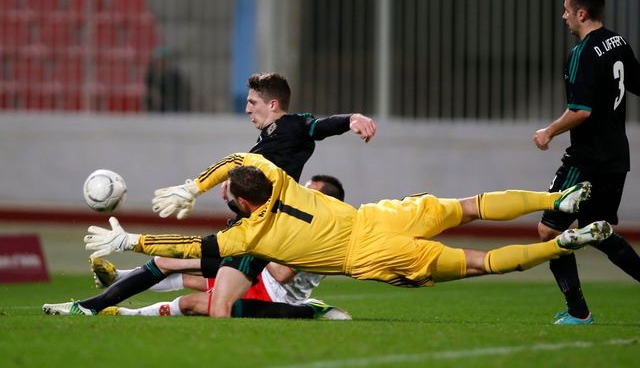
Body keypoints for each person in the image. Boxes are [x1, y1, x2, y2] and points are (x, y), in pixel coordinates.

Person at [77, 152, 612, 319]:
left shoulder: (249, 237)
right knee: (469, 206)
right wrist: (195, 185)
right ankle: (555, 200)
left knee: (479, 262)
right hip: (379, 216)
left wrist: (132, 241)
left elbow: (190, 249)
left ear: (243, 204)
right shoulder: (280, 179)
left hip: (370, 252)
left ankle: (563, 242)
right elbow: (239, 158)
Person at [43, 72, 376, 316]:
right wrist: (234, 192)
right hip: (247, 227)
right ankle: (88, 307)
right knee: (197, 289)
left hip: (262, 233)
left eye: (252, 102)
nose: (247, 108)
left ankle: (308, 312)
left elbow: (319, 127)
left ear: (273, 104)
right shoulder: (264, 140)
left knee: (210, 298)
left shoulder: (293, 126)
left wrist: (351, 120)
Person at [532, 0, 640, 325]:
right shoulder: (619, 43)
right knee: (598, 229)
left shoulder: (580, 54)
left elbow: (581, 111)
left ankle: (578, 312)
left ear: (581, 13)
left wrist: (548, 132)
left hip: (585, 158)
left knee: (548, 233)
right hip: (616, 157)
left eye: (567, 10)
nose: (564, 16)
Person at [95, 175, 351, 320]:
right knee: (172, 263)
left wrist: (260, 238)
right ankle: (118, 279)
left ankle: (128, 313)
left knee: (188, 303)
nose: (301, 195)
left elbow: (282, 274)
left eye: (309, 192)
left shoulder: (317, 233)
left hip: (273, 295)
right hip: (257, 277)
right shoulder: (303, 221)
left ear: (325, 200)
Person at [145, 46, 191, 112]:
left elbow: (182, 94)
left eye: (164, 60)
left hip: (173, 109)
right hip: (156, 110)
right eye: (159, 61)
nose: (161, 63)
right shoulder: (151, 74)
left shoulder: (175, 75)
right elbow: (149, 89)